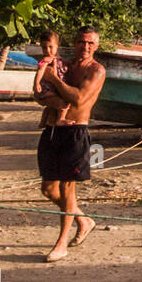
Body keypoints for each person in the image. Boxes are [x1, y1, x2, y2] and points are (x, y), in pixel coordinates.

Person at [36, 27, 106, 262]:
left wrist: (53, 80)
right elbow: (38, 94)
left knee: (67, 189)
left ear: (96, 46)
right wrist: (49, 91)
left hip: (76, 131)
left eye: (90, 43)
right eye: (81, 42)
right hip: (53, 128)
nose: (85, 47)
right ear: (73, 43)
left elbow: (78, 98)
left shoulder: (97, 71)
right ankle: (83, 220)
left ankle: (61, 243)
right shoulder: (62, 65)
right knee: (48, 189)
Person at [33, 30, 68, 127]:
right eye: (44, 47)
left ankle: (43, 122)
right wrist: (37, 83)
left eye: (50, 47)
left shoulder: (58, 59)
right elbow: (40, 71)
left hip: (55, 88)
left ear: (57, 46)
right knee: (63, 104)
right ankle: (61, 119)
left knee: (51, 106)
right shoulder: (46, 60)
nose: (47, 50)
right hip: (47, 88)